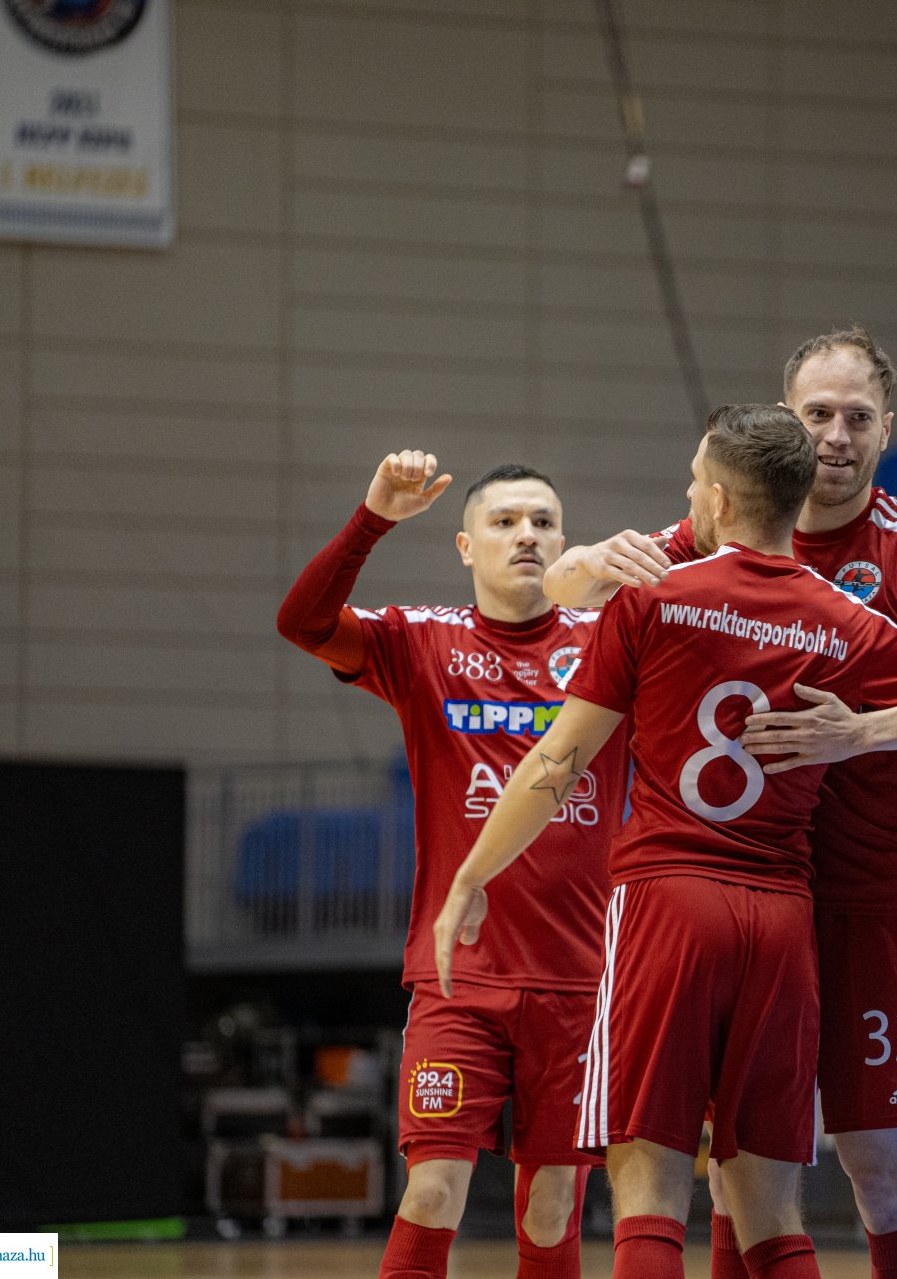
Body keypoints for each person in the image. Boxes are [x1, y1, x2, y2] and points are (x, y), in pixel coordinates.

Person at [432, 405, 897, 1279]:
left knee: (649, 1181)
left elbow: (556, 762)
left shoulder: (654, 600)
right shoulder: (855, 627)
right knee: (767, 1202)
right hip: (786, 916)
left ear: (713, 498)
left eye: (689, 483)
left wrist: (472, 876)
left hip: (669, 902)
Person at [276, 454, 624, 1279]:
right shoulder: (421, 641)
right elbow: (301, 621)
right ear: (465, 546)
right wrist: (373, 519)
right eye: (504, 522)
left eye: (542, 521)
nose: (527, 536)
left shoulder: (613, 643)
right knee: (432, 1190)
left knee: (551, 1208)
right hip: (458, 976)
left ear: (565, 540)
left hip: (581, 981)